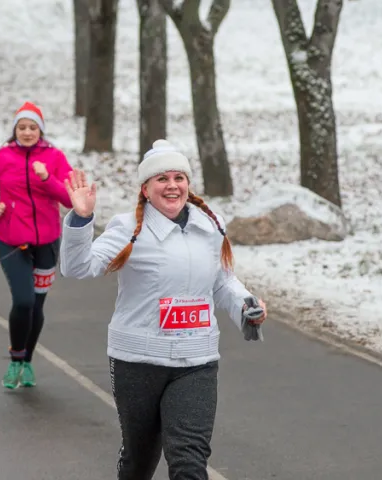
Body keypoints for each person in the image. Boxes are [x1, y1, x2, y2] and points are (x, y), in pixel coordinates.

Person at [58, 139, 268, 479]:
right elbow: (78, 267)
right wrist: (82, 220)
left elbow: (222, 281)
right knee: (139, 461)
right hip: (138, 361)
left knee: (189, 461)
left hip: (196, 361)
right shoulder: (128, 229)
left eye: (178, 178)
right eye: (162, 179)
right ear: (146, 188)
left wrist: (247, 306)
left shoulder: (210, 226)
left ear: (187, 184)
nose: (172, 186)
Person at [0, 101, 74, 389]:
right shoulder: (0, 156)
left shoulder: (54, 157)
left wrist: (47, 177)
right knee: (24, 300)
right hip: (12, 241)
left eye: (33, 127)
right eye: (22, 127)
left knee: (37, 304)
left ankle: (27, 362)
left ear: (41, 130)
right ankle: (15, 359)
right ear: (14, 129)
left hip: (47, 243)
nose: (27, 132)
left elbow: (68, 198)